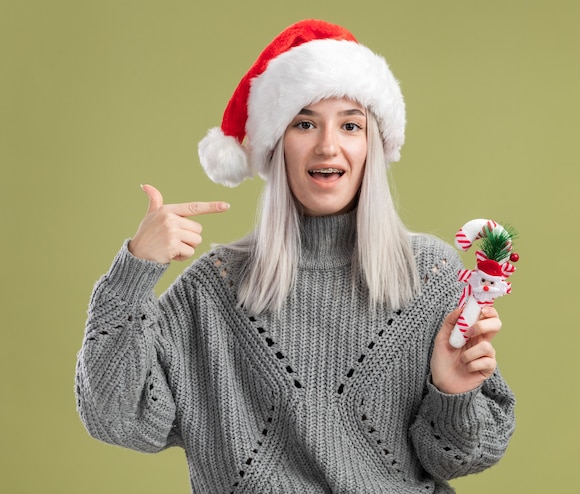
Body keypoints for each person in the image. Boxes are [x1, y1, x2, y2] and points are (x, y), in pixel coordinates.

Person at [75, 19, 515, 493]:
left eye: (350, 125)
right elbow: (116, 418)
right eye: (304, 123)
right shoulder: (214, 290)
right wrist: (133, 271)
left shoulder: (430, 276)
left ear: (373, 145)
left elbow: (463, 456)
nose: (328, 145)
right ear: (276, 146)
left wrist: (451, 392)